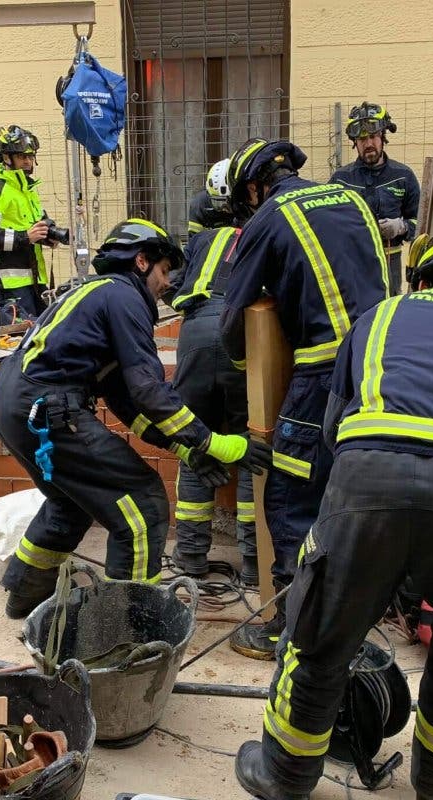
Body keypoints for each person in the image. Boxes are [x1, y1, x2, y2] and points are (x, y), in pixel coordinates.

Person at [233, 230, 433, 800]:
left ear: (420, 279)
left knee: (321, 636)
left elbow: (331, 433)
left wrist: (357, 534)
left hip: (367, 479)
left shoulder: (375, 319)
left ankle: (285, 776)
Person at [0, 218, 272, 620]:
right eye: (163, 271)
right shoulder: (125, 298)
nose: (166, 283)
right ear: (141, 261)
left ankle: (24, 596)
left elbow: (127, 403)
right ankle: (128, 627)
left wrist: (184, 449)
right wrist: (213, 442)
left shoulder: (97, 295)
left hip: (19, 408)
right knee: (143, 507)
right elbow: (150, 391)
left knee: (69, 504)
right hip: (47, 410)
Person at [219, 138, 388, 660]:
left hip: (322, 375)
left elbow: (233, 317)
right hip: (383, 365)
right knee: (354, 491)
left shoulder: (267, 219)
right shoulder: (354, 198)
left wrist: (249, 375)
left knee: (291, 497)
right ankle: (352, 614)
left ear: (253, 186)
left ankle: (289, 628)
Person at [164, 182, 256, 583]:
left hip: (196, 334)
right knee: (251, 449)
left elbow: (172, 289)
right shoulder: (261, 235)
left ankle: (191, 559)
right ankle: (254, 566)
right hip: (243, 334)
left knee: (195, 442)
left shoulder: (199, 241)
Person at [331, 102, 420, 296]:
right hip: (353, 262)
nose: (368, 144)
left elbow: (421, 222)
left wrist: (402, 226)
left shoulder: (404, 176)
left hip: (391, 262)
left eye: (372, 137)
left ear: (382, 137)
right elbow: (328, 225)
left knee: (389, 310)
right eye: (362, 139)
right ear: (355, 142)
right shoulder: (341, 179)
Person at [0, 124, 60, 320]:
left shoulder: (28, 189)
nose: (28, 161)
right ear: (6, 158)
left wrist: (49, 236)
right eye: (22, 156)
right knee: (22, 339)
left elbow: (36, 224)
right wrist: (25, 237)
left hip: (36, 279)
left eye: (31, 156)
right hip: (11, 284)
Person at [186, 157, 234, 238]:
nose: (224, 209)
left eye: (229, 203)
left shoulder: (248, 205)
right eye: (219, 203)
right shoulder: (199, 206)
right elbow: (194, 242)